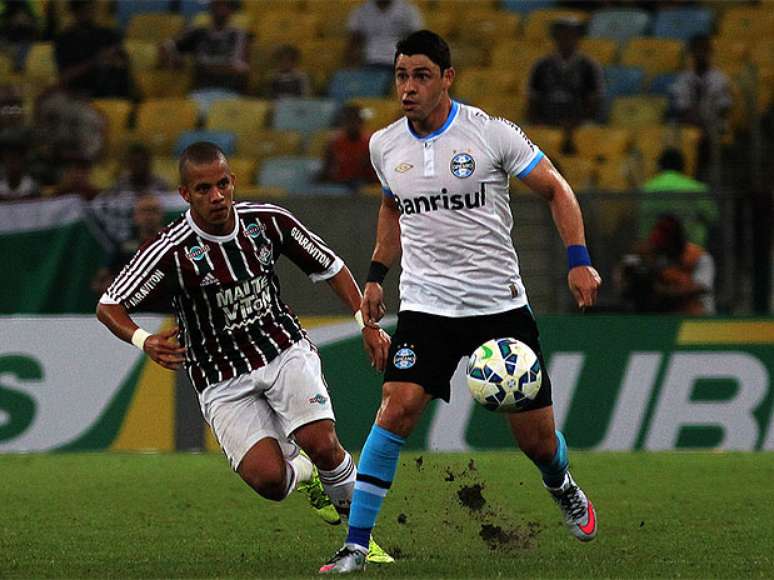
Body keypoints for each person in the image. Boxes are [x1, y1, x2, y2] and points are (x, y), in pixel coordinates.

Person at [319, 30, 602, 574]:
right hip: (427, 306)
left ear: (447, 78)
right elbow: (390, 206)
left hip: (498, 305)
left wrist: (579, 258)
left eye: (421, 75)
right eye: (401, 75)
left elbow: (557, 189)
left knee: (537, 441)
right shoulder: (385, 146)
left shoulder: (490, 134)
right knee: (395, 409)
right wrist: (377, 276)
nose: (408, 87)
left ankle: (561, 482)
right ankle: (357, 543)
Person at [95, 141, 394, 565]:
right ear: (185, 195)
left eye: (222, 184)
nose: (216, 196)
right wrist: (144, 340)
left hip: (281, 348)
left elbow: (331, 267)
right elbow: (109, 305)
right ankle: (304, 476)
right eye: (203, 189)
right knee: (270, 481)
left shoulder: (268, 222)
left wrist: (365, 324)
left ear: (233, 181)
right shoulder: (171, 251)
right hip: (219, 376)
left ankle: (362, 542)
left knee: (323, 442)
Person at [619, 214, 715, 315]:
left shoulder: (699, 257)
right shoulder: (652, 255)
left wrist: (664, 291)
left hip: (696, 318)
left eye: (666, 234)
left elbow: (702, 288)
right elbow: (627, 278)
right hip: (663, 316)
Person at [160, 0, 251, 96]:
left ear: (232, 10)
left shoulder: (239, 35)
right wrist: (173, 60)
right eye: (217, 5)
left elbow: (241, 69)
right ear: (211, 8)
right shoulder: (198, 33)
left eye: (225, 6)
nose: (221, 10)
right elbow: (166, 47)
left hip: (229, 92)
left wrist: (202, 66)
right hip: (200, 91)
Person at [527, 17, 604, 129]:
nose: (567, 39)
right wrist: (539, 121)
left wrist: (576, 122)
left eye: (571, 35)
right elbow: (533, 99)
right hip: (546, 120)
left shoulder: (589, 66)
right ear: (556, 38)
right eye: (562, 35)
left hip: (579, 121)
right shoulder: (541, 66)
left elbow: (594, 101)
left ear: (578, 39)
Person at [639, 148, 718, 248]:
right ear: (682, 166)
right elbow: (712, 217)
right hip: (690, 250)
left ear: (660, 166)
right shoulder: (696, 188)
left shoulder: (648, 188)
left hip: (655, 249)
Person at [54, 0, 131, 99]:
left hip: (112, 91)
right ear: (74, 12)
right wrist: (95, 61)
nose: (89, 13)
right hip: (79, 93)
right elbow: (65, 76)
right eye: (84, 10)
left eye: (91, 9)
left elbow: (123, 62)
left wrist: (113, 61)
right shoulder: (64, 39)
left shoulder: (108, 35)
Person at [91, 193, 165, 295]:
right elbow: (100, 281)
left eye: (153, 211)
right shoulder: (124, 246)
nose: (149, 216)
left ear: (161, 215)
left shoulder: (175, 243)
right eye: (144, 211)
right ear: (135, 216)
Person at [346, 0, 423, 71]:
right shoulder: (361, 11)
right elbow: (353, 43)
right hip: (370, 62)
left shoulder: (408, 10)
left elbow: (416, 41)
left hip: (399, 62)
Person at [319, 104, 377, 191]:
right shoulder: (334, 143)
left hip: (363, 183)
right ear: (344, 123)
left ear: (361, 122)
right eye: (349, 121)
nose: (352, 124)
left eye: (355, 121)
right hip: (339, 183)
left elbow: (373, 171)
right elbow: (327, 168)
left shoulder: (370, 143)